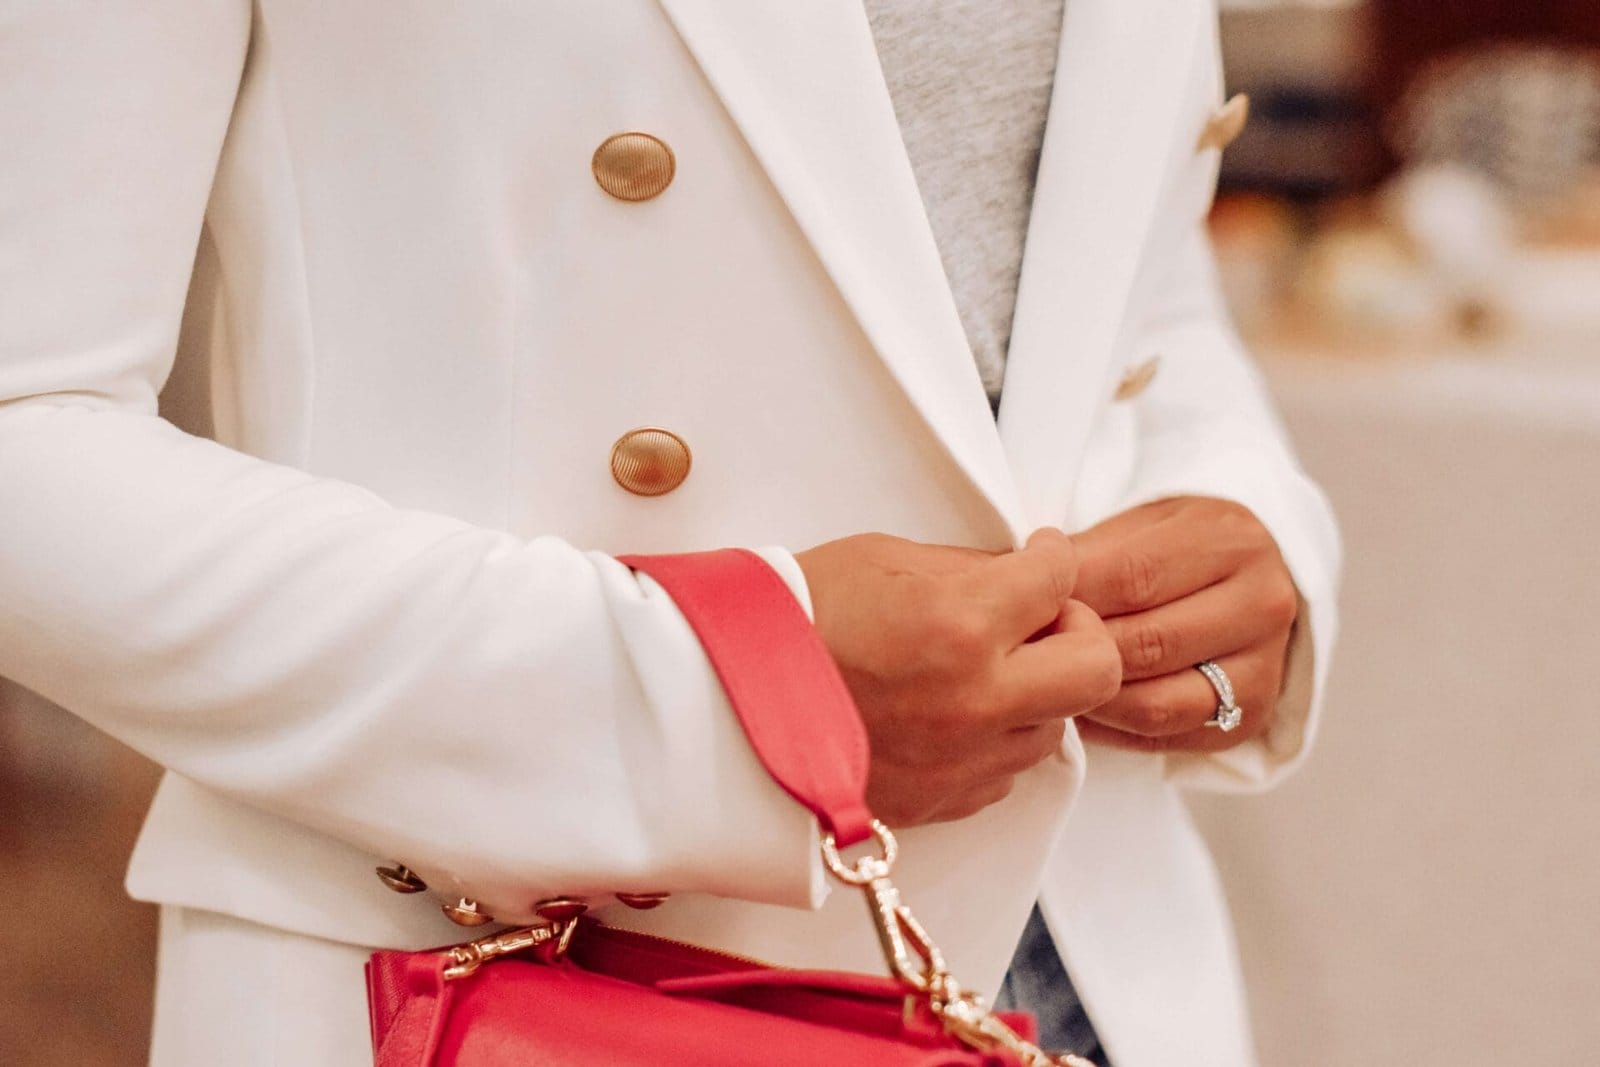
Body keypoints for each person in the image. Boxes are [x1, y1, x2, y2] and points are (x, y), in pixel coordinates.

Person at [0, 3, 1339, 1066]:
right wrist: (719, 704)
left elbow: (1108, 280)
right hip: (507, 976)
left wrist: (1240, 513)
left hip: (1074, 952)